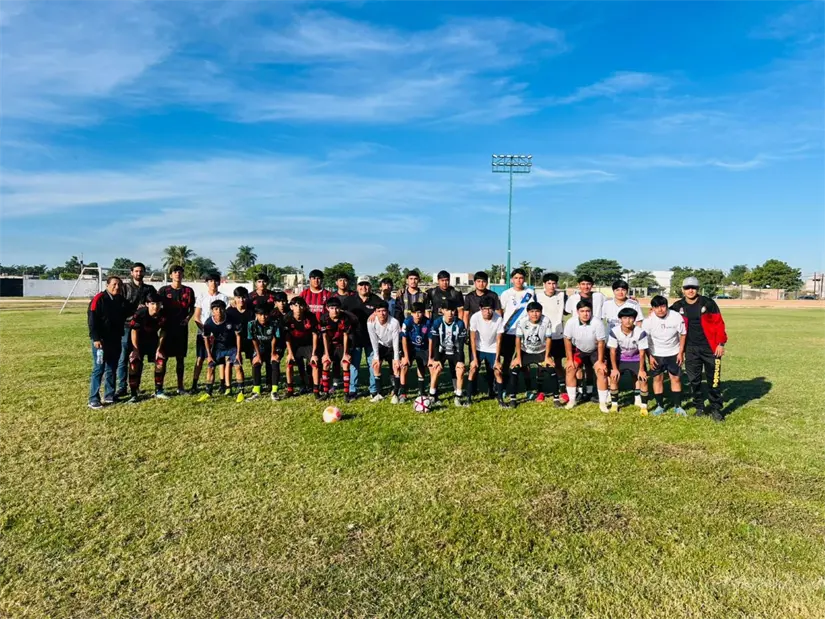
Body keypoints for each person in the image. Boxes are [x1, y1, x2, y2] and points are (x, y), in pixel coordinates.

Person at [670, 276, 728, 422]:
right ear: (682, 290)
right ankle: (699, 407)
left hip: (711, 348)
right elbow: (663, 315)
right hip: (690, 349)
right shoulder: (678, 306)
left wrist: (720, 343)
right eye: (687, 288)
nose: (690, 290)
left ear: (698, 289)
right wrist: (652, 311)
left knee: (713, 380)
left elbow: (719, 323)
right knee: (693, 380)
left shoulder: (708, 303)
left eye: (693, 288)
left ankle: (715, 409)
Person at [117, 262, 157, 398]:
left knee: (138, 357)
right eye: (136, 271)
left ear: (144, 273)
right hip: (127, 326)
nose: (139, 273)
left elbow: (154, 305)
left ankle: (136, 386)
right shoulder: (125, 288)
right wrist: (135, 310)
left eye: (141, 271)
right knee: (123, 357)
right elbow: (120, 306)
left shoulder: (149, 288)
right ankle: (122, 387)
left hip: (143, 329)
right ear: (131, 272)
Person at [497, 268, 536, 403]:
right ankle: (505, 387)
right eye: (516, 278)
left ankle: (529, 389)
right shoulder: (506, 294)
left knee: (525, 362)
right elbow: (500, 312)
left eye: (521, 278)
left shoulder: (530, 293)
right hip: (509, 332)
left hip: (525, 333)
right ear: (512, 279)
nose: (518, 280)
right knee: (507, 361)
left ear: (524, 279)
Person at [87, 276, 127, 409]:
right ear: (107, 285)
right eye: (114, 284)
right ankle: (93, 398)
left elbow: (128, 311)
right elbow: (92, 320)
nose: (117, 287)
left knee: (112, 368)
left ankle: (109, 395)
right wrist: (96, 338)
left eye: (119, 285)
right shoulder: (99, 299)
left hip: (115, 340)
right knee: (99, 368)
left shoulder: (120, 300)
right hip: (102, 342)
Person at [563, 301, 609, 411]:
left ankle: (602, 403)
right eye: (582, 311)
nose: (585, 314)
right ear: (577, 312)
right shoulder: (571, 322)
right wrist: (569, 359)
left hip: (595, 350)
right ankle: (572, 400)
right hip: (578, 350)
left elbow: (601, 343)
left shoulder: (597, 323)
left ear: (591, 311)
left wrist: (601, 361)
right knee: (570, 369)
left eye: (588, 311)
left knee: (601, 371)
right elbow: (567, 340)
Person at [645, 295, 687, 416]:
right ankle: (660, 406)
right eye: (656, 307)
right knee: (657, 379)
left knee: (676, 378)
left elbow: (683, 334)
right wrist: (650, 357)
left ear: (667, 306)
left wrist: (680, 352)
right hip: (656, 354)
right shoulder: (648, 321)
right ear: (652, 308)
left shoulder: (675, 316)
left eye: (663, 306)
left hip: (673, 353)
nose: (660, 309)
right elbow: (645, 340)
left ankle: (678, 406)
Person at [341, 276, 383, 398]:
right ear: (357, 287)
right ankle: (353, 390)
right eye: (361, 285)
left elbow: (384, 310)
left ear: (370, 286)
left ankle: (373, 389)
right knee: (354, 365)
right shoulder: (349, 300)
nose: (364, 287)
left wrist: (376, 312)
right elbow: (341, 313)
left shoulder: (376, 300)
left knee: (372, 364)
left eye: (366, 285)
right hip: (355, 338)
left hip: (372, 338)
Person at [157, 265, 196, 394]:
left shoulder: (188, 291)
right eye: (175, 272)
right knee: (163, 358)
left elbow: (192, 309)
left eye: (180, 272)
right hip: (166, 329)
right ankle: (159, 388)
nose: (177, 274)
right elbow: (156, 306)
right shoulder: (163, 290)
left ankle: (180, 387)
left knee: (180, 359)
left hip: (181, 329)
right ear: (170, 275)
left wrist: (187, 319)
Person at [196, 299, 242, 402]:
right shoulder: (208, 323)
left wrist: (238, 353)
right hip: (218, 348)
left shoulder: (231, 319)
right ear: (212, 311)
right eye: (216, 309)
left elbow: (238, 336)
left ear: (224, 309)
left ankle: (241, 392)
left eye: (221, 308)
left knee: (238, 366)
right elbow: (206, 339)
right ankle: (208, 392)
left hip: (232, 347)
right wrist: (209, 355)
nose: (219, 311)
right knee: (210, 368)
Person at [508, 302, 552, 408]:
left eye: (537, 311)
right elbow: (518, 339)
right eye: (532, 312)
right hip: (525, 350)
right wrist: (518, 357)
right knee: (514, 368)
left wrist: (547, 356)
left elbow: (549, 339)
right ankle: (513, 398)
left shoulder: (546, 321)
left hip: (540, 350)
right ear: (528, 312)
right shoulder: (522, 321)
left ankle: (540, 391)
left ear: (541, 312)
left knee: (547, 368)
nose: (535, 314)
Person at [127, 292, 168, 402]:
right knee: (134, 363)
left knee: (161, 360)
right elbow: (134, 331)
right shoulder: (141, 313)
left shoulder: (163, 314)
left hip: (152, 340)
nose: (156, 306)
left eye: (158, 304)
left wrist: (159, 348)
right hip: (138, 341)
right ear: (147, 304)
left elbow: (163, 331)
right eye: (153, 303)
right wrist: (135, 350)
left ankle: (158, 390)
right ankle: (134, 394)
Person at [191, 273, 229, 393]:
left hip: (220, 333)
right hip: (203, 331)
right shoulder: (202, 297)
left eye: (215, 281)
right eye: (210, 281)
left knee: (221, 358)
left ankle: (222, 384)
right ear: (207, 283)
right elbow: (196, 317)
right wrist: (205, 331)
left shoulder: (224, 298)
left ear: (219, 282)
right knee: (200, 358)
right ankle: (194, 385)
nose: (213, 283)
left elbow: (226, 316)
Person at [607, 307, 650, 414]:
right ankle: (614, 404)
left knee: (642, 379)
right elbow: (612, 352)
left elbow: (642, 353)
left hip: (635, 358)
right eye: (625, 318)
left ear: (634, 319)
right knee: (613, 378)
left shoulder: (640, 332)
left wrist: (641, 369)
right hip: (620, 358)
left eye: (631, 318)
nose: (628, 321)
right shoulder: (614, 331)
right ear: (620, 319)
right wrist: (614, 369)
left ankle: (643, 405)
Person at [534, 272, 568, 406]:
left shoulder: (562, 296)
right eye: (549, 283)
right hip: (542, 336)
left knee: (558, 364)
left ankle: (562, 389)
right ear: (544, 284)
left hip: (558, 335)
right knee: (541, 365)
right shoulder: (537, 296)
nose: (552, 286)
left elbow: (572, 308)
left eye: (554, 283)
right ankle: (540, 391)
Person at [428, 300, 468, 407]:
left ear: (455, 311)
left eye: (452, 310)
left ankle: (458, 397)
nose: (450, 313)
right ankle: (432, 395)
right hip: (442, 351)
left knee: (460, 370)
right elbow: (435, 343)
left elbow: (460, 345)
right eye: (447, 310)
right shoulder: (437, 323)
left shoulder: (460, 323)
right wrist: (436, 359)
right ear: (442, 311)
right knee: (435, 368)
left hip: (455, 351)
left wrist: (460, 361)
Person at [468, 296, 503, 402]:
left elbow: (499, 340)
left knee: (497, 371)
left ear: (493, 309)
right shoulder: (475, 317)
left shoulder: (499, 318)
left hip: (492, 349)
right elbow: (473, 339)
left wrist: (497, 360)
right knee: (473, 369)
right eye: (484, 309)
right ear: (480, 308)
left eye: (489, 309)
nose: (487, 312)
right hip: (479, 348)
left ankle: (500, 399)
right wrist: (474, 358)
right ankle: (468, 399)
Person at [283, 296, 320, 398]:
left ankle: (316, 391)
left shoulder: (310, 317)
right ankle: (290, 390)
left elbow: (315, 335)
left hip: (308, 344)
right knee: (289, 364)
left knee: (314, 364)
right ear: (291, 307)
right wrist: (290, 353)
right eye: (295, 306)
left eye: (300, 306)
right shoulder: (287, 318)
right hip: (295, 345)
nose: (298, 308)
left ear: (304, 307)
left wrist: (314, 354)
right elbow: (287, 337)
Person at [319, 296, 354, 400]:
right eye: (332, 308)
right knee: (325, 363)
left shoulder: (345, 318)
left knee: (346, 364)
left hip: (342, 344)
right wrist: (326, 353)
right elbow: (324, 336)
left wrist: (345, 353)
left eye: (337, 308)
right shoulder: (323, 318)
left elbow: (345, 336)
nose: (335, 310)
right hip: (329, 344)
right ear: (327, 308)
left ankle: (346, 394)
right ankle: (326, 392)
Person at [366, 300, 402, 403]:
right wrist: (376, 357)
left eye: (384, 311)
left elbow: (395, 341)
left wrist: (396, 358)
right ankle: (379, 393)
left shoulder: (394, 322)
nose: (382, 313)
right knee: (376, 365)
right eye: (379, 311)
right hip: (381, 345)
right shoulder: (370, 322)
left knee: (396, 367)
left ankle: (395, 393)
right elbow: (373, 340)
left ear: (388, 311)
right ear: (375, 312)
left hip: (393, 345)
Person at [400, 301, 432, 402]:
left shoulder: (428, 322)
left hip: (424, 348)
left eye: (420, 312)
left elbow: (431, 340)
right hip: (411, 348)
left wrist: (430, 357)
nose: (417, 315)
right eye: (415, 313)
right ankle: (403, 393)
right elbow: (404, 339)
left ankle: (422, 391)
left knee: (424, 366)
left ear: (423, 313)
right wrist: (405, 356)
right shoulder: (407, 322)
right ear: (411, 313)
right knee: (404, 365)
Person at [226, 286, 253, 403]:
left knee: (255, 362)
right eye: (238, 297)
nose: (241, 300)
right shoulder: (230, 311)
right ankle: (228, 387)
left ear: (247, 298)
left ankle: (256, 385)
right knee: (231, 363)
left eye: (243, 297)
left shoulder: (251, 311)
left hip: (249, 341)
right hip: (233, 342)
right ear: (234, 298)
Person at [247, 306, 277, 400]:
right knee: (256, 363)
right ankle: (256, 390)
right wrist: (258, 355)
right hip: (259, 347)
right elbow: (254, 340)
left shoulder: (274, 324)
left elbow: (274, 338)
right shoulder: (251, 324)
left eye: (265, 314)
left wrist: (273, 353)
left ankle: (274, 390)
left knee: (274, 362)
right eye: (260, 315)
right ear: (256, 315)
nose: (263, 317)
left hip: (272, 347)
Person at [269, 291, 291, 398]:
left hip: (293, 340)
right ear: (275, 303)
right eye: (279, 301)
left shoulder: (291, 312)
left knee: (296, 361)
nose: (281, 304)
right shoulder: (272, 314)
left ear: (287, 302)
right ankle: (274, 389)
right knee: (275, 360)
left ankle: (305, 384)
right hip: (279, 341)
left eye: (283, 301)